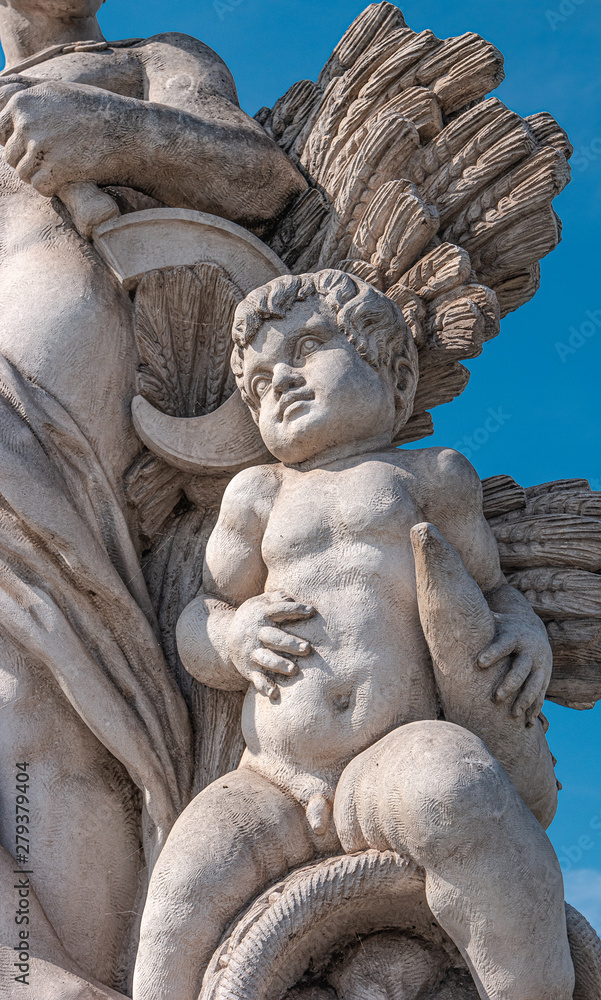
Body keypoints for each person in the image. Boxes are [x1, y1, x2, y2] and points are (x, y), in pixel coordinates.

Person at [134, 270, 576, 1000]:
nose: (282, 382)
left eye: (306, 349)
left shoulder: (431, 475)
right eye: (259, 381)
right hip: (272, 776)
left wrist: (527, 634)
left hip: (391, 753)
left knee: (460, 791)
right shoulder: (260, 494)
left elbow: (492, 592)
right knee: (180, 888)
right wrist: (235, 633)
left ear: (391, 371)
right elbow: (202, 617)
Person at [0, 3, 306, 996]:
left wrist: (118, 135)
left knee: (51, 694)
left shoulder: (149, 59)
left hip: (72, 432)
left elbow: (256, 175)